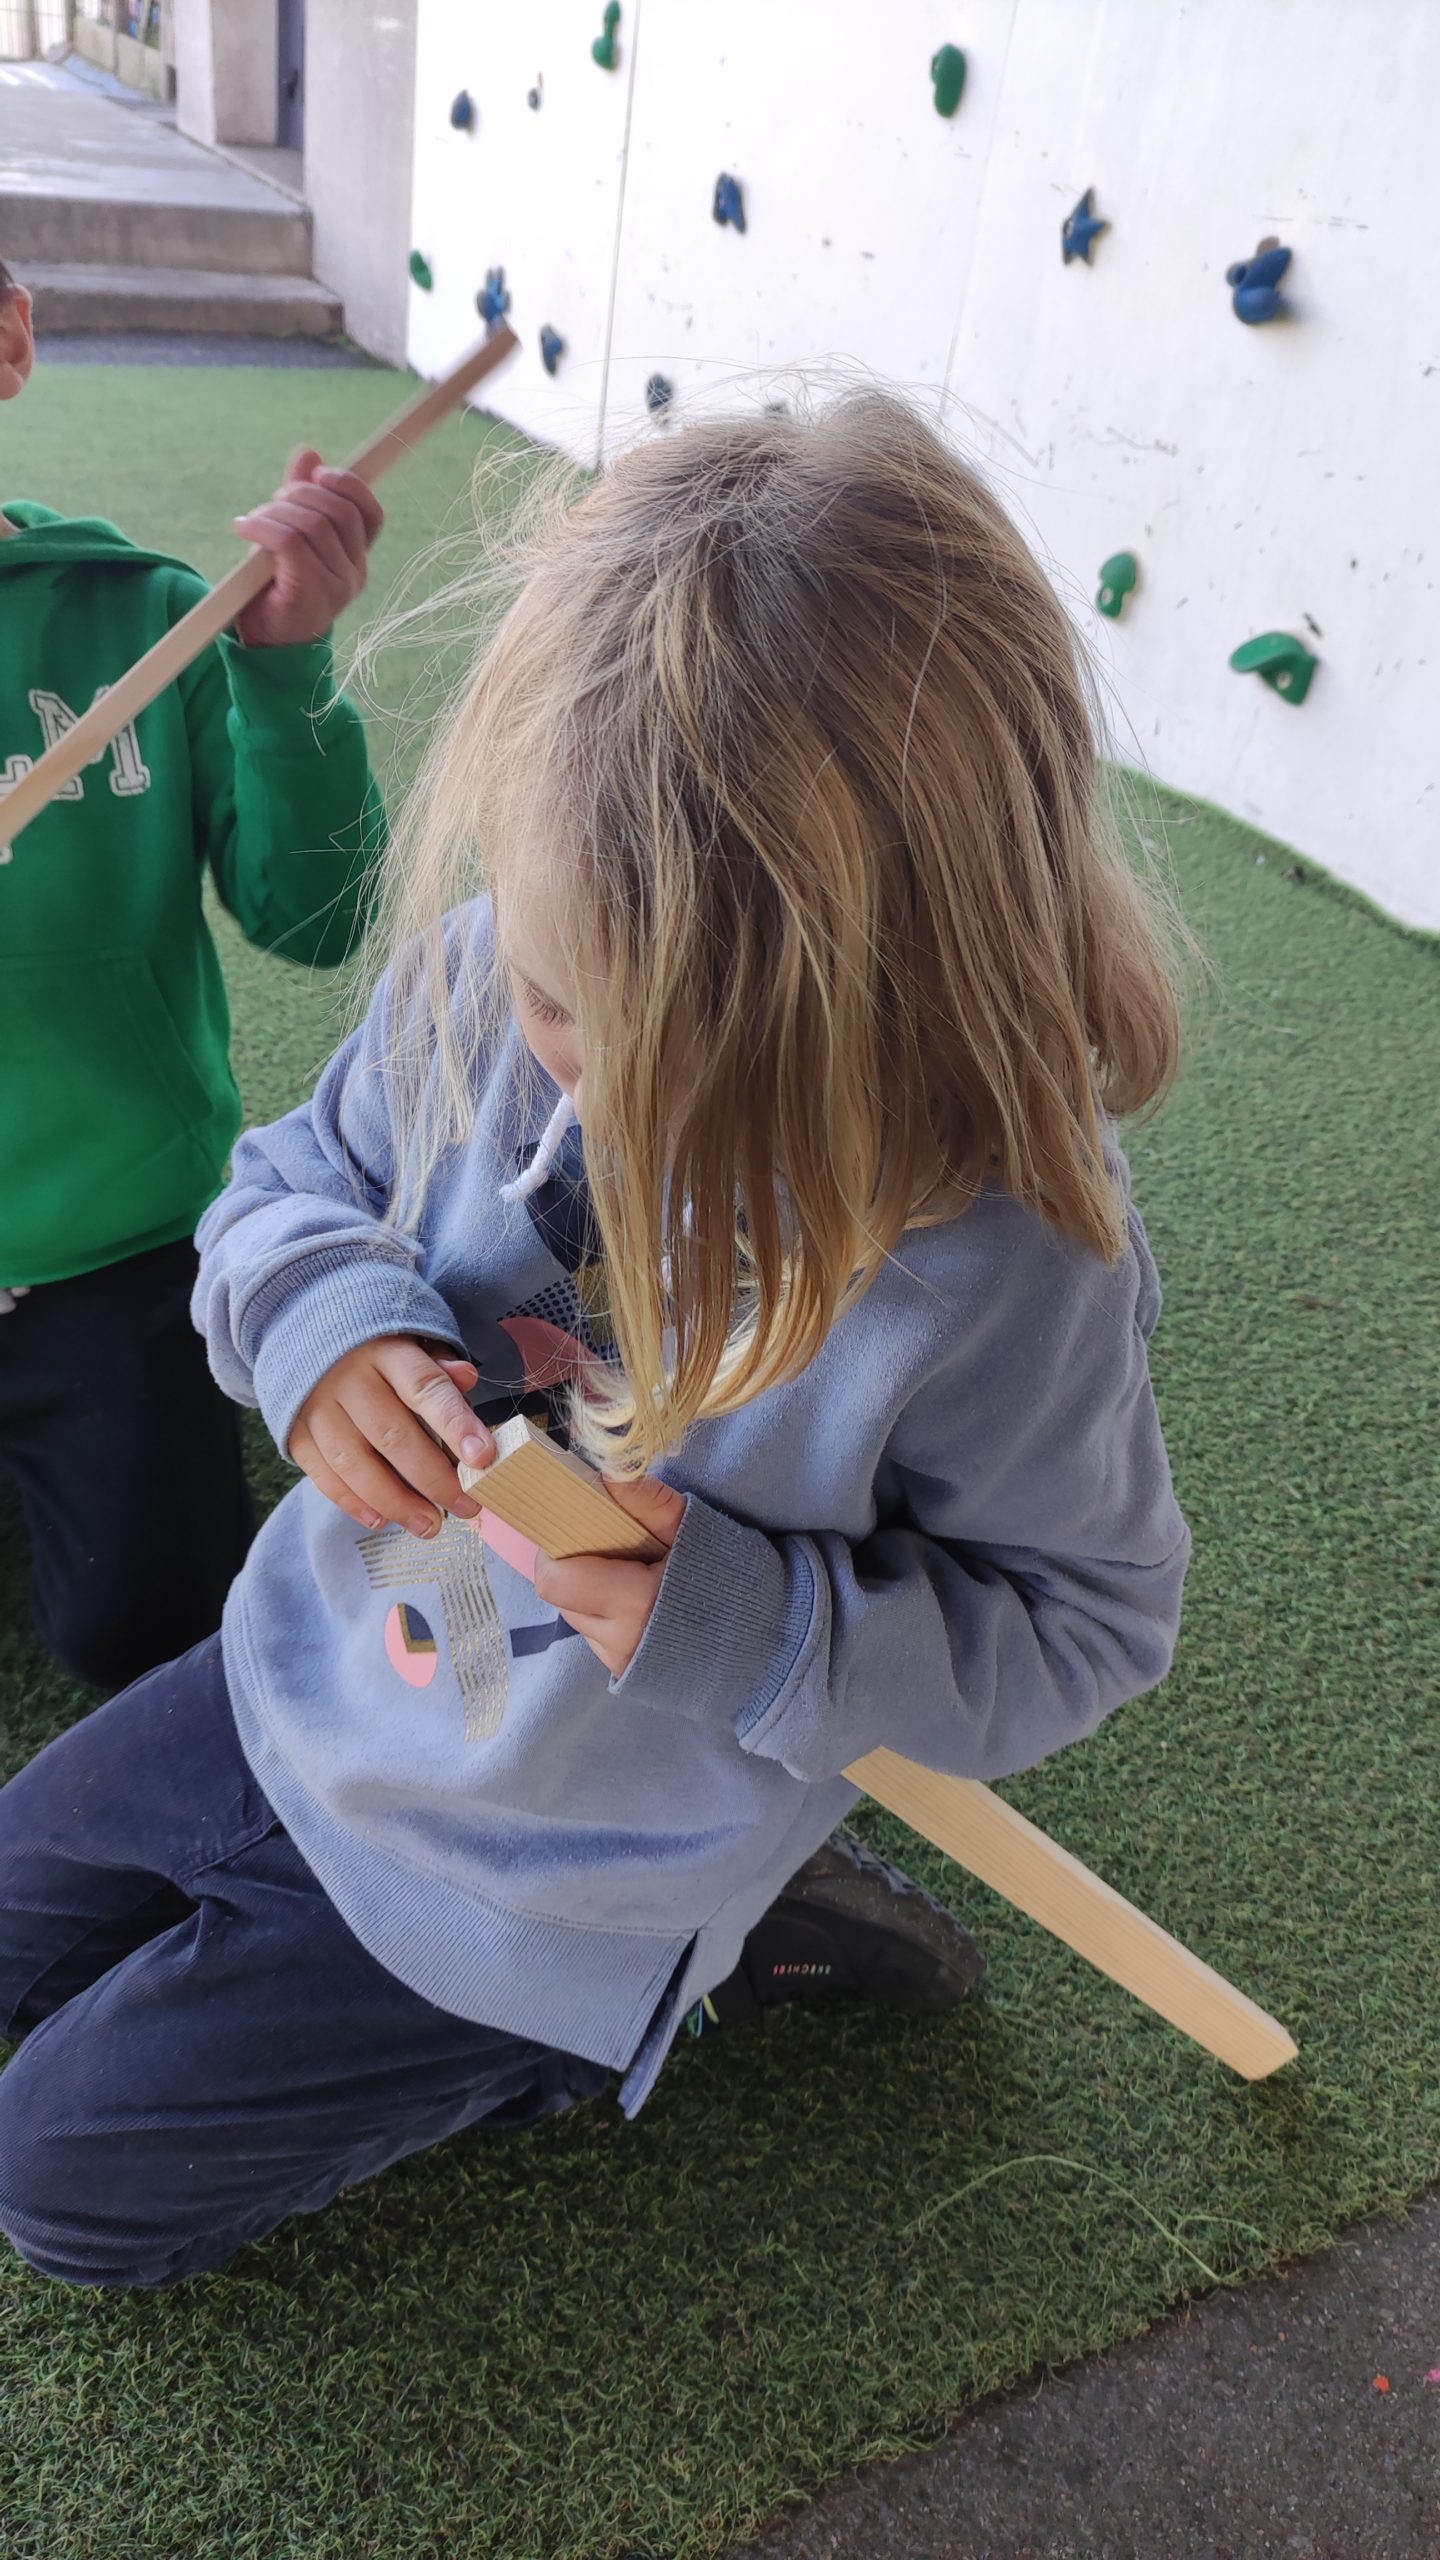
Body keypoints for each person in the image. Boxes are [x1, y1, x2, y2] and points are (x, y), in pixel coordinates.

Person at [0, 389, 1191, 2288]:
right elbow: (281, 1183)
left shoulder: (1014, 1264)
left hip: (567, 1867)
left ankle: (699, 1972)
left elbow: (1087, 1626)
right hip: (302, 1667)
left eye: (727, 1080)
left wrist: (750, 1625)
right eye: (567, 1016)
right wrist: (320, 1330)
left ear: (932, 989)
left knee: (58, 2191)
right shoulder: (487, 963)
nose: (618, 1107)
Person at [0, 255, 385, 1693]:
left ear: (11, 336)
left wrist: (285, 669)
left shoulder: (146, 619)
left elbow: (322, 916)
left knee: (145, 1631)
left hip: (117, 1258)